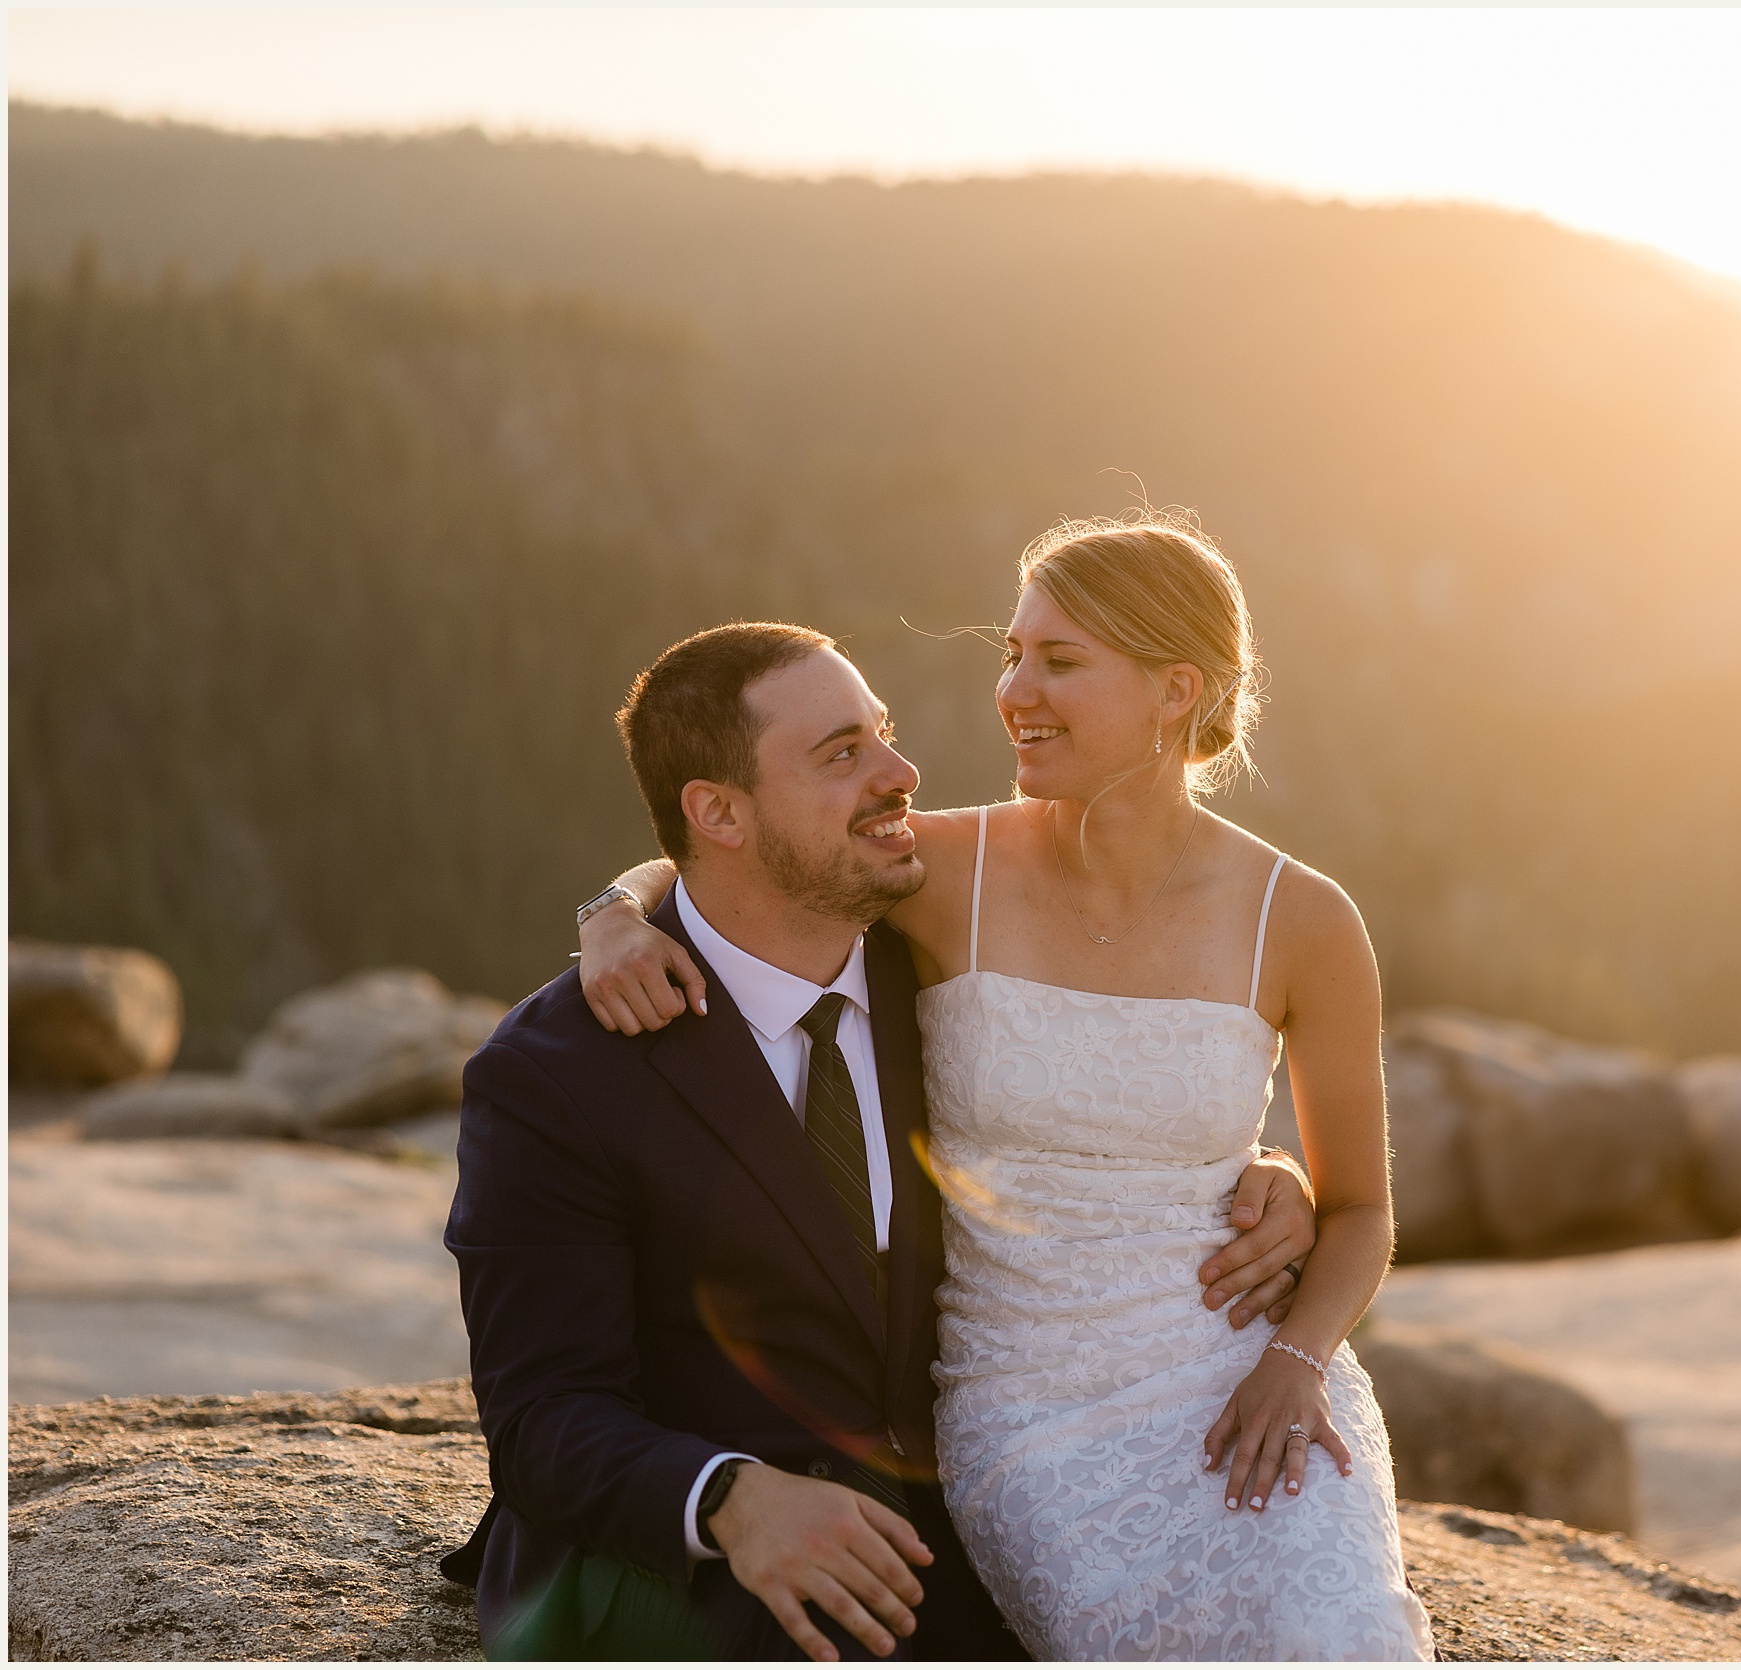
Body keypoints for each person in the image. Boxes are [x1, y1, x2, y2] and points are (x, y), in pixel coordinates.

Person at [578, 510, 1433, 1659]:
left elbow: (1364, 1210)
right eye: (1012, 654)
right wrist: (613, 917)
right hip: (1022, 1407)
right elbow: (738, 848)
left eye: (1060, 660)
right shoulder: (943, 870)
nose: (1015, 688)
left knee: (1347, 1634)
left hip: (1242, 1370)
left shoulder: (1306, 918)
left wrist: (1296, 1360)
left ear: (1176, 689)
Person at [445, 616, 1321, 1661]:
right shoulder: (555, 1071)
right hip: (687, 1565)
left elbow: (1095, 1126)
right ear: (717, 811)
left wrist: (1248, 1171)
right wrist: (726, 1497)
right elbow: (542, 1415)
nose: (902, 771)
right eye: (841, 753)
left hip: (963, 1516)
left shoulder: (950, 987)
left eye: (885, 733)